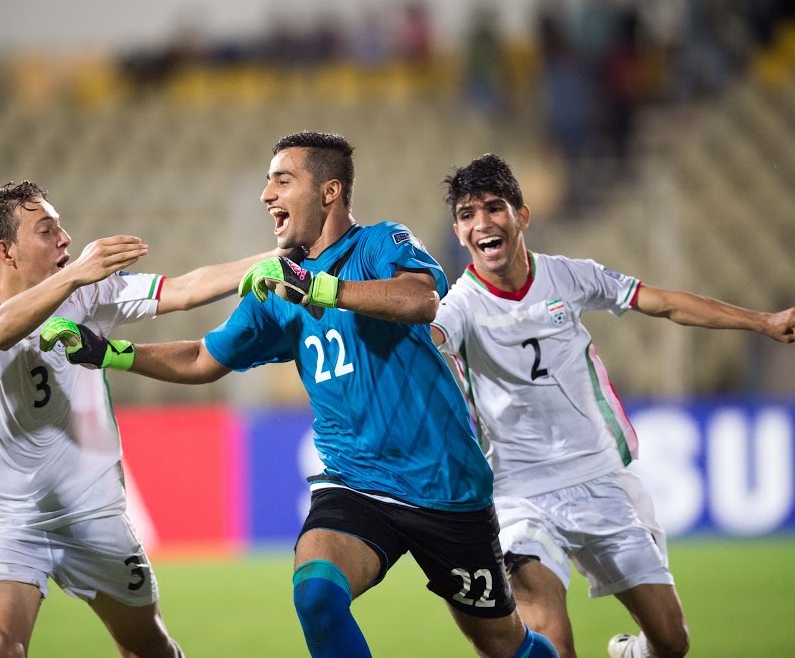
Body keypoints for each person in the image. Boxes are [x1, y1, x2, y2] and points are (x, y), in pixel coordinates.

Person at [39, 132, 560, 658]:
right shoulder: (276, 288)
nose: (267, 194)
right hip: (355, 483)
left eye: (282, 180)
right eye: (268, 181)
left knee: (501, 643)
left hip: (443, 484)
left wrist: (319, 288)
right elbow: (203, 357)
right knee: (316, 593)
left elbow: (422, 298)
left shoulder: (380, 243)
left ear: (329, 191)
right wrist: (112, 352)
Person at [429, 153, 795, 658]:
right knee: (549, 641)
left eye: (493, 208)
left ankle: (630, 652)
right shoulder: (459, 305)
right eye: (467, 214)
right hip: (517, 495)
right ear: (459, 231)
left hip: (601, 480)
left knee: (671, 642)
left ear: (521, 216)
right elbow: (428, 340)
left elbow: (665, 303)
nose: (482, 223)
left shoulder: (570, 277)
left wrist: (763, 321)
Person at [0, 180, 282, 658]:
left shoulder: (89, 296)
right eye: (47, 230)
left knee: (149, 649)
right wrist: (72, 278)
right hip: (1, 525)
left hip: (92, 514)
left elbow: (183, 288)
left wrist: (280, 261)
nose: (66, 239)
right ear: (5, 251)